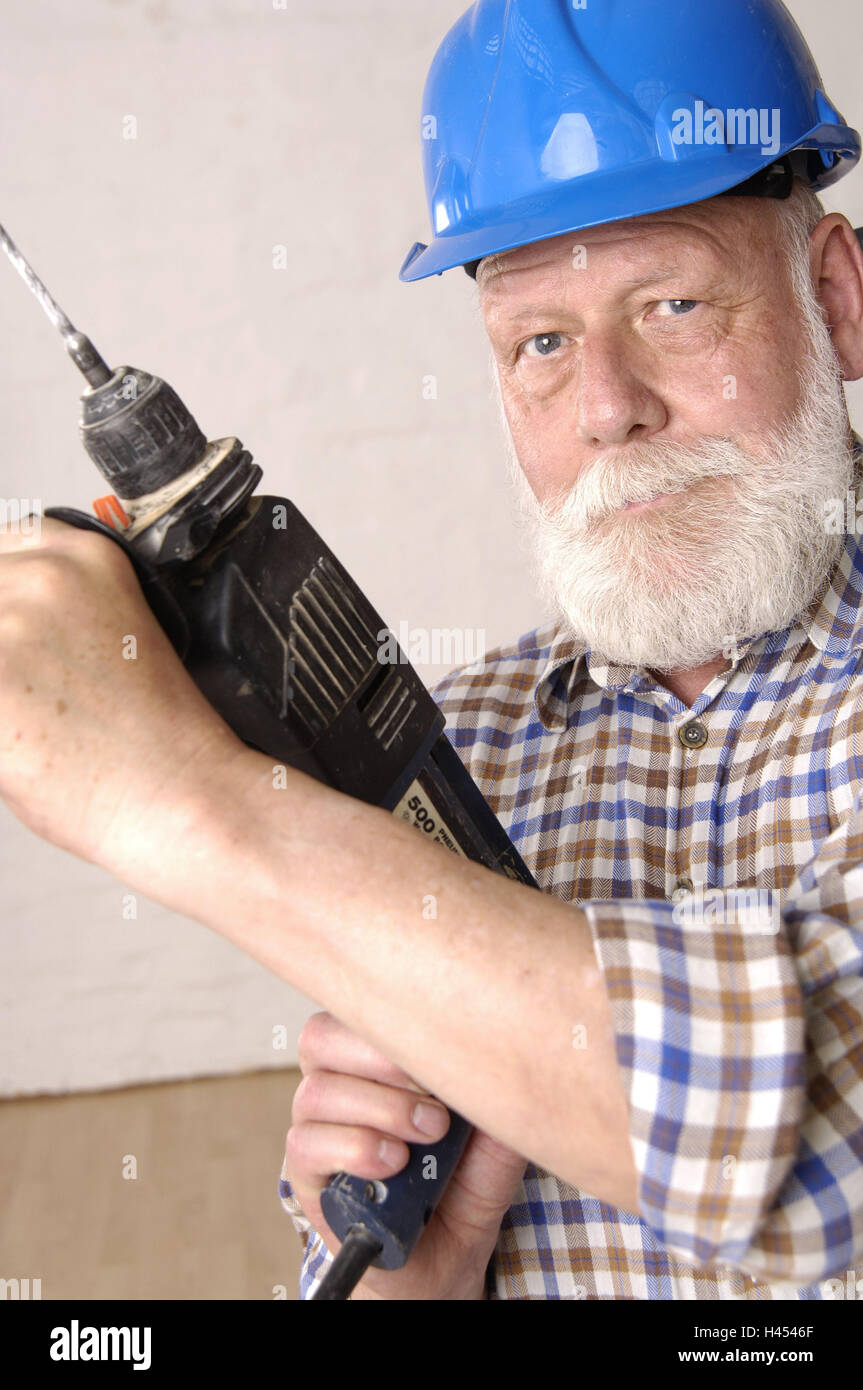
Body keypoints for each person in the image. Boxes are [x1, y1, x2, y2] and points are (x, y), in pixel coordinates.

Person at [1, 0, 862, 1300]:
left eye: (676, 303)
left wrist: (184, 803)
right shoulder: (448, 754)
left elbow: (811, 1145)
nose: (607, 409)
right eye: (541, 343)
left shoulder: (313, 829)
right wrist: (414, 1283)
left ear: (837, 301)